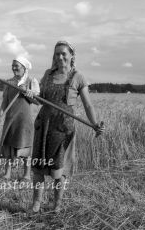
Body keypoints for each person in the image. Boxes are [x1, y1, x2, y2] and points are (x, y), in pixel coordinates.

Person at [30, 41, 105, 213]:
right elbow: (38, 99)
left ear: (72, 55)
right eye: (57, 54)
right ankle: (36, 204)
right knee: (38, 168)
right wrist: (30, 95)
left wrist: (95, 124)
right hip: (44, 125)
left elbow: (88, 105)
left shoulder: (78, 77)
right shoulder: (48, 74)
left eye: (63, 53)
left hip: (63, 128)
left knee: (59, 169)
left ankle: (57, 205)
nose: (60, 57)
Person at [0, 56, 40, 181]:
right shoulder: (9, 82)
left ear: (24, 68)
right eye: (13, 66)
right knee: (8, 146)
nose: (14, 68)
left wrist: (27, 92)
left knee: (26, 146)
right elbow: (5, 101)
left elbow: (37, 101)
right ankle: (7, 174)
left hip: (25, 120)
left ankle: (26, 175)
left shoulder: (31, 81)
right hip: (10, 119)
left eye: (17, 66)